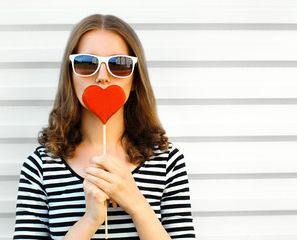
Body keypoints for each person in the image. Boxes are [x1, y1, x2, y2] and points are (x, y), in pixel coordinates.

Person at [14, 14, 195, 239]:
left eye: (118, 64)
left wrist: (137, 205)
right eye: (86, 63)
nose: (102, 77)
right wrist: (89, 221)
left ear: (135, 79)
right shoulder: (40, 167)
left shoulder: (168, 162)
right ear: (70, 76)